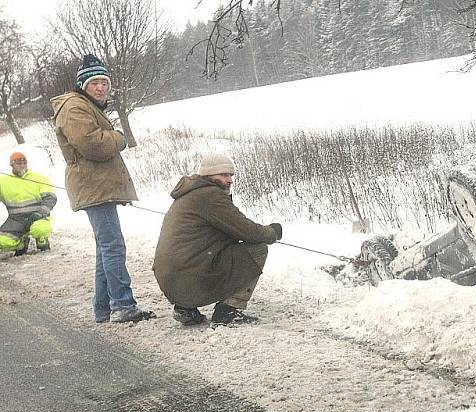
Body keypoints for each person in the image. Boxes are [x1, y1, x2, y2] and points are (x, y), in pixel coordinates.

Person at [50, 54, 153, 324]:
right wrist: (119, 137)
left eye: (104, 82)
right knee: (113, 246)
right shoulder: (75, 107)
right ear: (82, 84)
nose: (101, 88)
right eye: (95, 82)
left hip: (95, 185)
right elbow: (92, 144)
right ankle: (122, 305)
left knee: (106, 247)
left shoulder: (83, 105)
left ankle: (104, 308)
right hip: (93, 186)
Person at [153, 153, 282, 327]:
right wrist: (272, 232)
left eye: (231, 175)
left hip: (170, 278)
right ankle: (228, 310)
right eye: (223, 175)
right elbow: (248, 231)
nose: (230, 179)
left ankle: (186, 307)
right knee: (257, 249)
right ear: (209, 176)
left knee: (224, 246)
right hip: (189, 277)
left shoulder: (189, 194)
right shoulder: (210, 195)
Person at [0, 152, 56, 255]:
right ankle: (21, 242)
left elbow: (50, 198)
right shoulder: (2, 182)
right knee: (2, 241)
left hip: (38, 216)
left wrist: (41, 213)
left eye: (24, 163)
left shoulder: (40, 178)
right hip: (16, 220)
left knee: (40, 229)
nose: (22, 165)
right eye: (18, 163)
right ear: (12, 165)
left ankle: (41, 239)